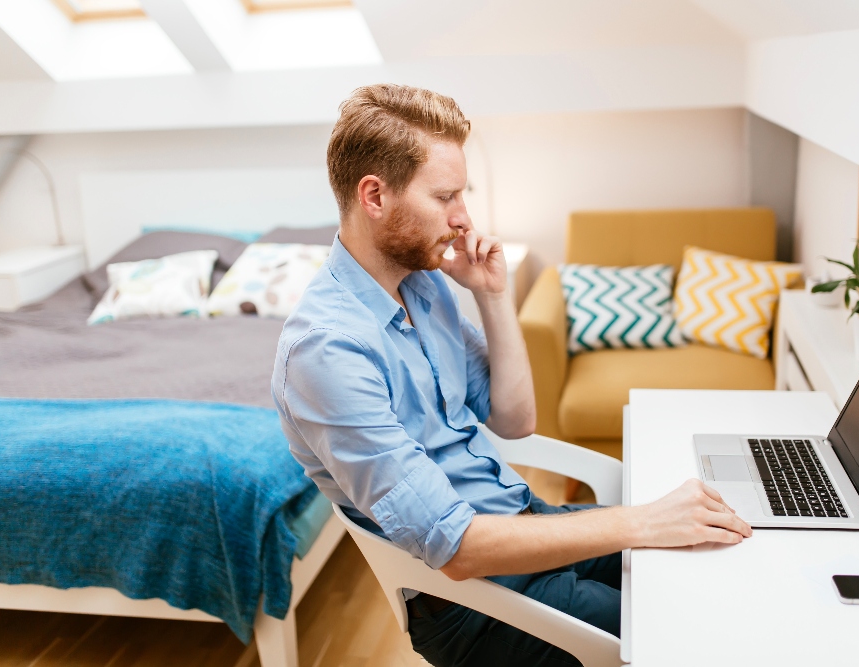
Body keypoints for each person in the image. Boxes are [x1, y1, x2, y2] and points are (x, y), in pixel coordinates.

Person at [271, 83, 752, 667]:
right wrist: (642, 521)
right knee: (691, 624)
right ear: (374, 195)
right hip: (474, 602)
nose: (463, 217)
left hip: (521, 522)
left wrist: (494, 297)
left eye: (462, 194)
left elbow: (515, 419)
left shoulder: (421, 286)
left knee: (707, 562)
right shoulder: (327, 352)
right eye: (445, 195)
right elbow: (455, 548)